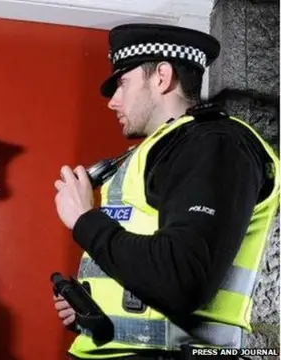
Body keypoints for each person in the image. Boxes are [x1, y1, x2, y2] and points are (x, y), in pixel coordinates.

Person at [52, 23, 279, 359]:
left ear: (161, 76)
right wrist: (95, 308)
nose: (112, 102)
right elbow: (149, 272)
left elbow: (181, 278)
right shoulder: (159, 150)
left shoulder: (215, 144)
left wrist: (86, 221)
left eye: (122, 84)